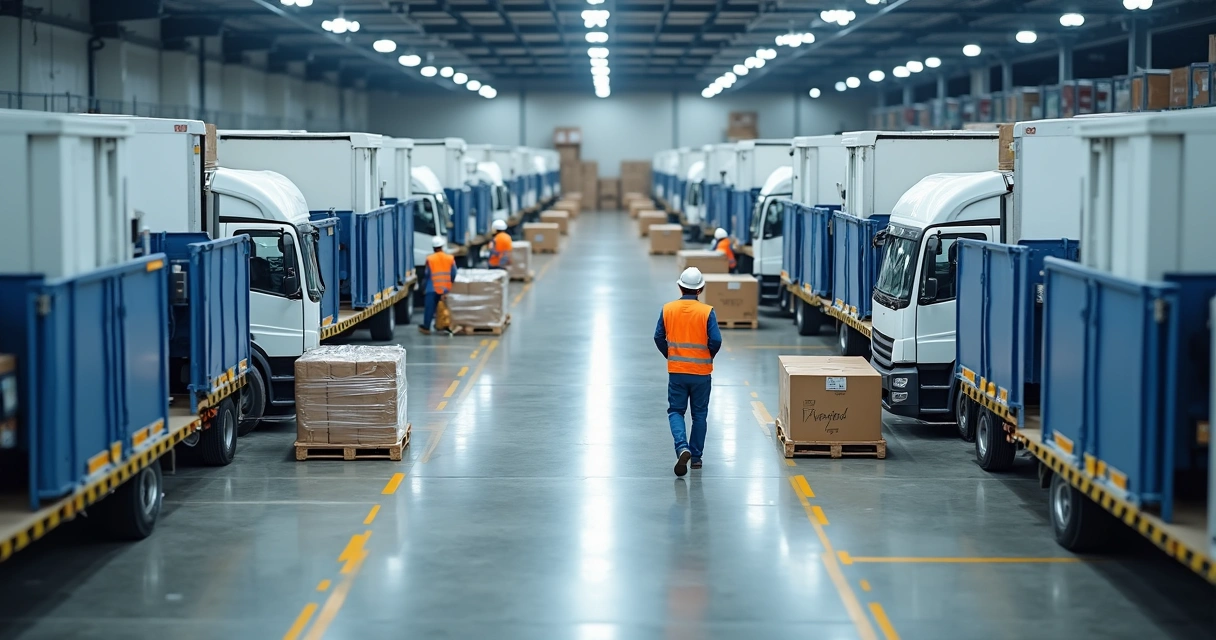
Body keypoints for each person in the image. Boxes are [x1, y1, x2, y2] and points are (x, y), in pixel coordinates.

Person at [654, 267, 723, 477]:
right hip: (701, 373)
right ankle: (696, 458)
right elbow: (717, 340)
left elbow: (658, 337)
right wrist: (707, 355)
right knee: (699, 415)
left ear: (679, 287)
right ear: (700, 289)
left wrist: (671, 355)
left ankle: (682, 447)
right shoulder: (707, 311)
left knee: (676, 411)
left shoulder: (668, 309)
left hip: (677, 372)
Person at [419, 236, 457, 335]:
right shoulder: (450, 258)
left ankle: (426, 327)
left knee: (429, 308)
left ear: (433, 247)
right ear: (442, 246)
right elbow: (454, 273)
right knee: (444, 308)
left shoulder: (430, 259)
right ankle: (445, 325)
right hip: (445, 288)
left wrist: (423, 286)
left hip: (432, 288)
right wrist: (450, 284)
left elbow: (427, 274)